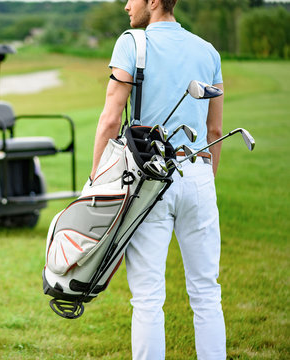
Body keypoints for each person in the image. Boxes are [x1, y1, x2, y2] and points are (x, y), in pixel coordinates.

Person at [90, 0, 225, 359]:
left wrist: (96, 180)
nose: (125, 6)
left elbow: (109, 119)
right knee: (207, 292)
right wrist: (202, 182)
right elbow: (215, 129)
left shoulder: (132, 43)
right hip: (198, 174)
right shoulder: (208, 51)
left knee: (148, 297)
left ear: (152, 1)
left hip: (150, 181)